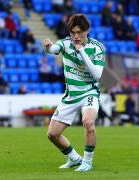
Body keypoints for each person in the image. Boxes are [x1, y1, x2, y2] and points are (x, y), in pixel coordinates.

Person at [43, 14, 106, 172]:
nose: (76, 36)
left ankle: (87, 161)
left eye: (79, 32)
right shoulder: (65, 43)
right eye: (73, 33)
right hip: (71, 95)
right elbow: (53, 49)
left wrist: (82, 52)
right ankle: (74, 158)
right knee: (52, 134)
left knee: (88, 122)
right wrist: (48, 47)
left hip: (89, 93)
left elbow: (97, 75)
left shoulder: (98, 48)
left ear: (87, 30)